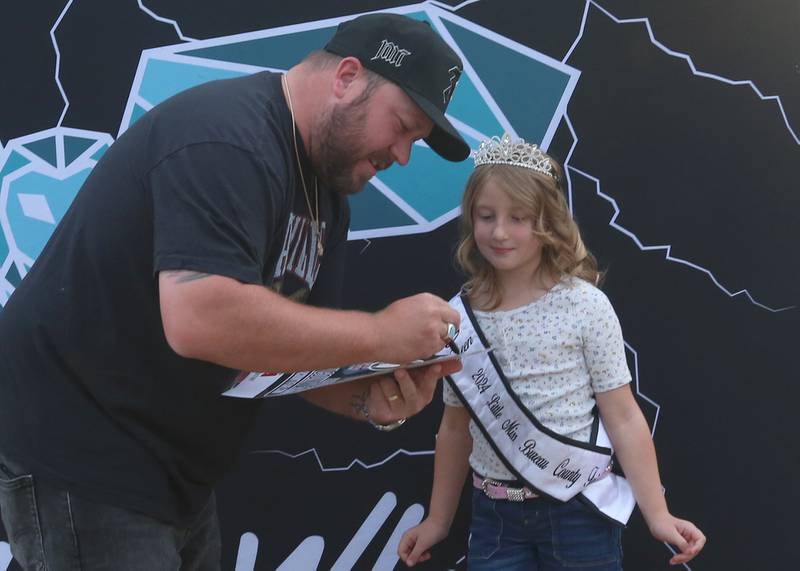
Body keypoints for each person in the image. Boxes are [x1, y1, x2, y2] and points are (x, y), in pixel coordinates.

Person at [0, 13, 470, 571]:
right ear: (346, 76)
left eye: (413, 141)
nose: (401, 155)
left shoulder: (326, 196)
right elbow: (199, 316)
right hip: (86, 451)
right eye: (402, 126)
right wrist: (380, 333)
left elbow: (291, 358)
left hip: (174, 471)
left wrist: (374, 396)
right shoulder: (227, 137)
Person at [398, 134, 706, 569]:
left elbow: (623, 416)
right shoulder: (458, 317)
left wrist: (657, 514)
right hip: (494, 519)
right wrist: (439, 519)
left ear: (548, 223)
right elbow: (454, 428)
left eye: (518, 218)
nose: (499, 231)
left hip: (578, 513)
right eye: (486, 216)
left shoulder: (585, 305)